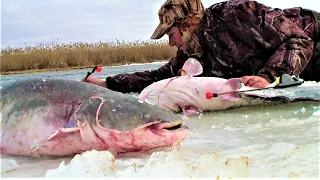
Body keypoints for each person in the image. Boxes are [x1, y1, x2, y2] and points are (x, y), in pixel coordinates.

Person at [84, 0, 320, 93]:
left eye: (172, 34)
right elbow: (156, 78)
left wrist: (269, 77)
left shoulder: (235, 14)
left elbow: (299, 39)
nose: (171, 42)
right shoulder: (192, 54)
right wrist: (107, 83)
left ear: (187, 24)